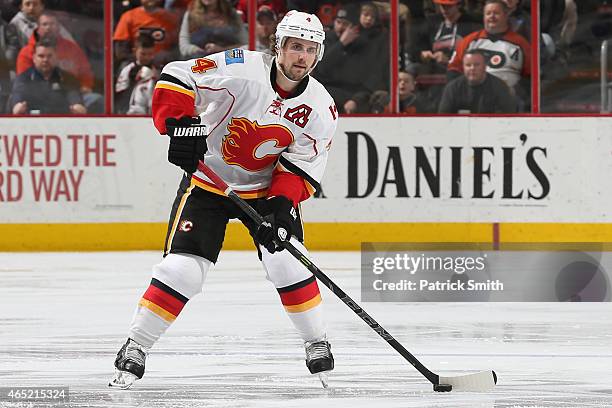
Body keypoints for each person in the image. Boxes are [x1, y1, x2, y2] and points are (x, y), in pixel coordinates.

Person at [109, 10, 338, 390]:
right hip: (208, 184)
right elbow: (178, 75)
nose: (302, 56)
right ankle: (136, 345)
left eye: (310, 49)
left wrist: (282, 207)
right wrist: (180, 127)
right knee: (182, 270)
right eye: (295, 46)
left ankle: (316, 340)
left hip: (265, 192)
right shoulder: (240, 68)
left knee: (289, 264)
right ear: (278, 46)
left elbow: (300, 163)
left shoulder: (320, 107)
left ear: (319, 55)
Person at [447, 0, 530, 105]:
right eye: (488, 13)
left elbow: (530, 76)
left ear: (506, 15)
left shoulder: (520, 44)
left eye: (496, 13)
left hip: (507, 102)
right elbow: (453, 70)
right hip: (473, 100)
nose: (492, 16)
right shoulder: (469, 41)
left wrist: (516, 91)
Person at [314, 2, 389, 113]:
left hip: (355, 95)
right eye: (338, 22)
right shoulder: (326, 40)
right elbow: (320, 71)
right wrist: (341, 44)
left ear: (354, 27)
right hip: (329, 92)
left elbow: (370, 78)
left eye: (345, 24)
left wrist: (356, 100)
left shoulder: (365, 44)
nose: (340, 27)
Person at [9, 38, 85, 114]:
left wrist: (77, 107)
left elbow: (76, 100)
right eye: (41, 56)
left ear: (56, 58)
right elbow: (17, 100)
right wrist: (17, 107)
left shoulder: (68, 78)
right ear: (34, 58)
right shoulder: (23, 79)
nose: (45, 60)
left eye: (49, 56)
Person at [439, 49, 516, 113]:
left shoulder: (499, 87)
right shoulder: (452, 88)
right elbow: (443, 119)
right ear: (463, 67)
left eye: (476, 65)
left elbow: (508, 119)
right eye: (468, 65)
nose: (472, 68)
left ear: (485, 66)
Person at [113, 0, 179, 67]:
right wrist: (142, 57)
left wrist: (169, 54)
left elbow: (178, 45)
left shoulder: (171, 18)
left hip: (162, 65)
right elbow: (121, 51)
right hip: (136, 65)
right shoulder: (128, 17)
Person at [178, 0, 246, 59]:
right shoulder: (191, 14)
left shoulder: (231, 14)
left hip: (226, 62)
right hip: (198, 63)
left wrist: (221, 50)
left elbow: (245, 45)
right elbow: (184, 46)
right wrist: (196, 50)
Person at [115, 34, 158, 114]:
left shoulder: (158, 70)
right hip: (132, 115)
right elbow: (120, 96)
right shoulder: (128, 70)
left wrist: (156, 79)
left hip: (153, 114)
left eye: (150, 54)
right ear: (135, 51)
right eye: (143, 54)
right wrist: (133, 81)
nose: (146, 57)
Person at [9, 0, 74, 49]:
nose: (31, 8)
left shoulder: (50, 19)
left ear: (42, 6)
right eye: (27, 4)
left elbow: (70, 42)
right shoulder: (14, 24)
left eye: (35, 4)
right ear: (21, 7)